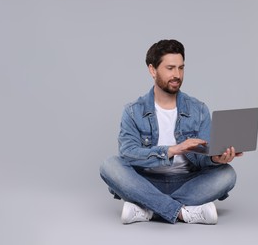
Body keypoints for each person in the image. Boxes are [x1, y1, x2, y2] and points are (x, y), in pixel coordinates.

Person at [99, 39, 243, 225]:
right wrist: (171, 150)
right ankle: (183, 212)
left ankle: (147, 209)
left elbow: (202, 157)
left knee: (227, 174)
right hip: (145, 181)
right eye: (170, 68)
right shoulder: (133, 111)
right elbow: (128, 154)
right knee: (109, 165)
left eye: (181, 68)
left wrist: (216, 158)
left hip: (187, 182)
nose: (177, 75)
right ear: (152, 70)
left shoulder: (198, 109)